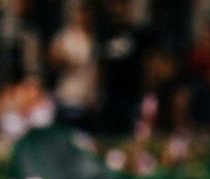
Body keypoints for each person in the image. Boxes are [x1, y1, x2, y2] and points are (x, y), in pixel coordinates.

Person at [98, 0, 152, 134]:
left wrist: (145, 89)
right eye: (116, 5)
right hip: (111, 94)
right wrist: (98, 92)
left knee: (129, 133)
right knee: (108, 134)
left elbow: (146, 63)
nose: (119, 9)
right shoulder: (105, 33)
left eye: (122, 5)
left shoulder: (137, 33)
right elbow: (101, 66)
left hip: (131, 94)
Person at [49, 0, 97, 129]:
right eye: (80, 12)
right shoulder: (65, 37)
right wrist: (63, 60)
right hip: (67, 96)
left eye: (86, 13)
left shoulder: (95, 38)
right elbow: (52, 59)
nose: (83, 16)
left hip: (87, 99)